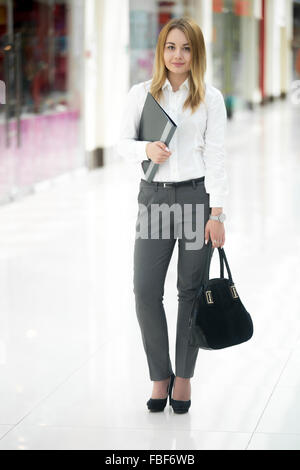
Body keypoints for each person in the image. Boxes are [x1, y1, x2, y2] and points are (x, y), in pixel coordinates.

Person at [116, 17, 229, 413]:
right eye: (170, 47)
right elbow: (121, 143)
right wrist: (146, 150)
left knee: (190, 293)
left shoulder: (209, 98)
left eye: (185, 48)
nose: (177, 55)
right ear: (161, 51)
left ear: (195, 54)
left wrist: (218, 213)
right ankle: (159, 376)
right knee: (146, 291)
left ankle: (183, 378)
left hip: (197, 201)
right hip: (155, 199)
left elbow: (217, 157)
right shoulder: (142, 94)